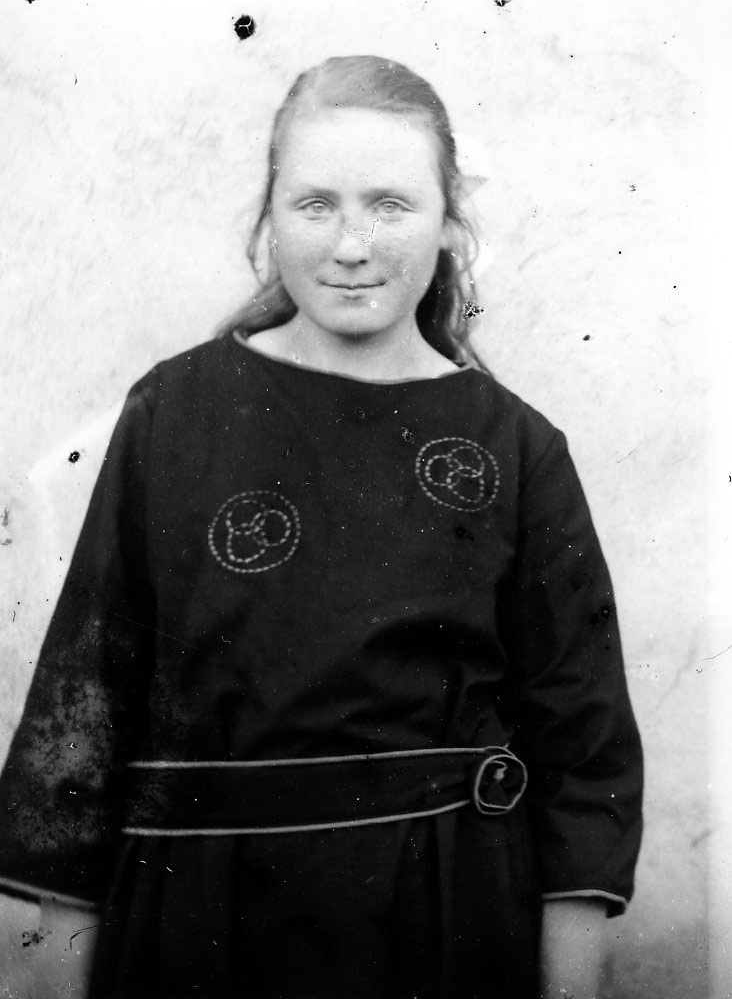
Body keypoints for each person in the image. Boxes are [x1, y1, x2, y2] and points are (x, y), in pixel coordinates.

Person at [0, 56, 642, 999]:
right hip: (199, 919)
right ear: (269, 215)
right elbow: (82, 719)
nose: (351, 245)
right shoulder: (175, 414)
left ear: (448, 219)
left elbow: (584, 754)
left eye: (390, 205)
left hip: (445, 918)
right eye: (315, 204)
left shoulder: (517, 449)